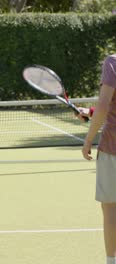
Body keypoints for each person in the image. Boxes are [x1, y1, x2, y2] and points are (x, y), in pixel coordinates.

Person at [79, 54, 116, 264]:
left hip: (113, 148)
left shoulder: (113, 62)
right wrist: (91, 112)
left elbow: (104, 105)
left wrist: (88, 140)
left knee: (111, 206)